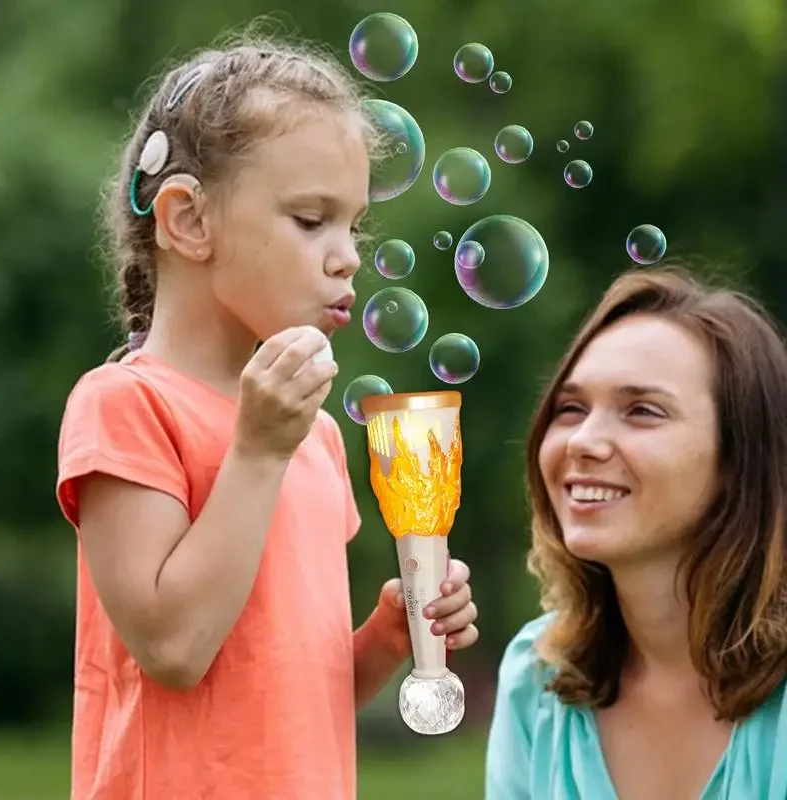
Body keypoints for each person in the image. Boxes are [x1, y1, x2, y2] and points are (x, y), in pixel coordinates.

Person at [55, 30, 479, 800]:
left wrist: (386, 640)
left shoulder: (312, 434)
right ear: (188, 221)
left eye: (355, 225)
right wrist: (256, 451)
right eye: (312, 220)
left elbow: (288, 699)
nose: (347, 255)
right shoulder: (126, 404)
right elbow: (176, 648)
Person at [485, 265, 787, 799]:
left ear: (741, 461)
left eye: (643, 411)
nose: (584, 440)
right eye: (571, 408)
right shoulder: (536, 679)